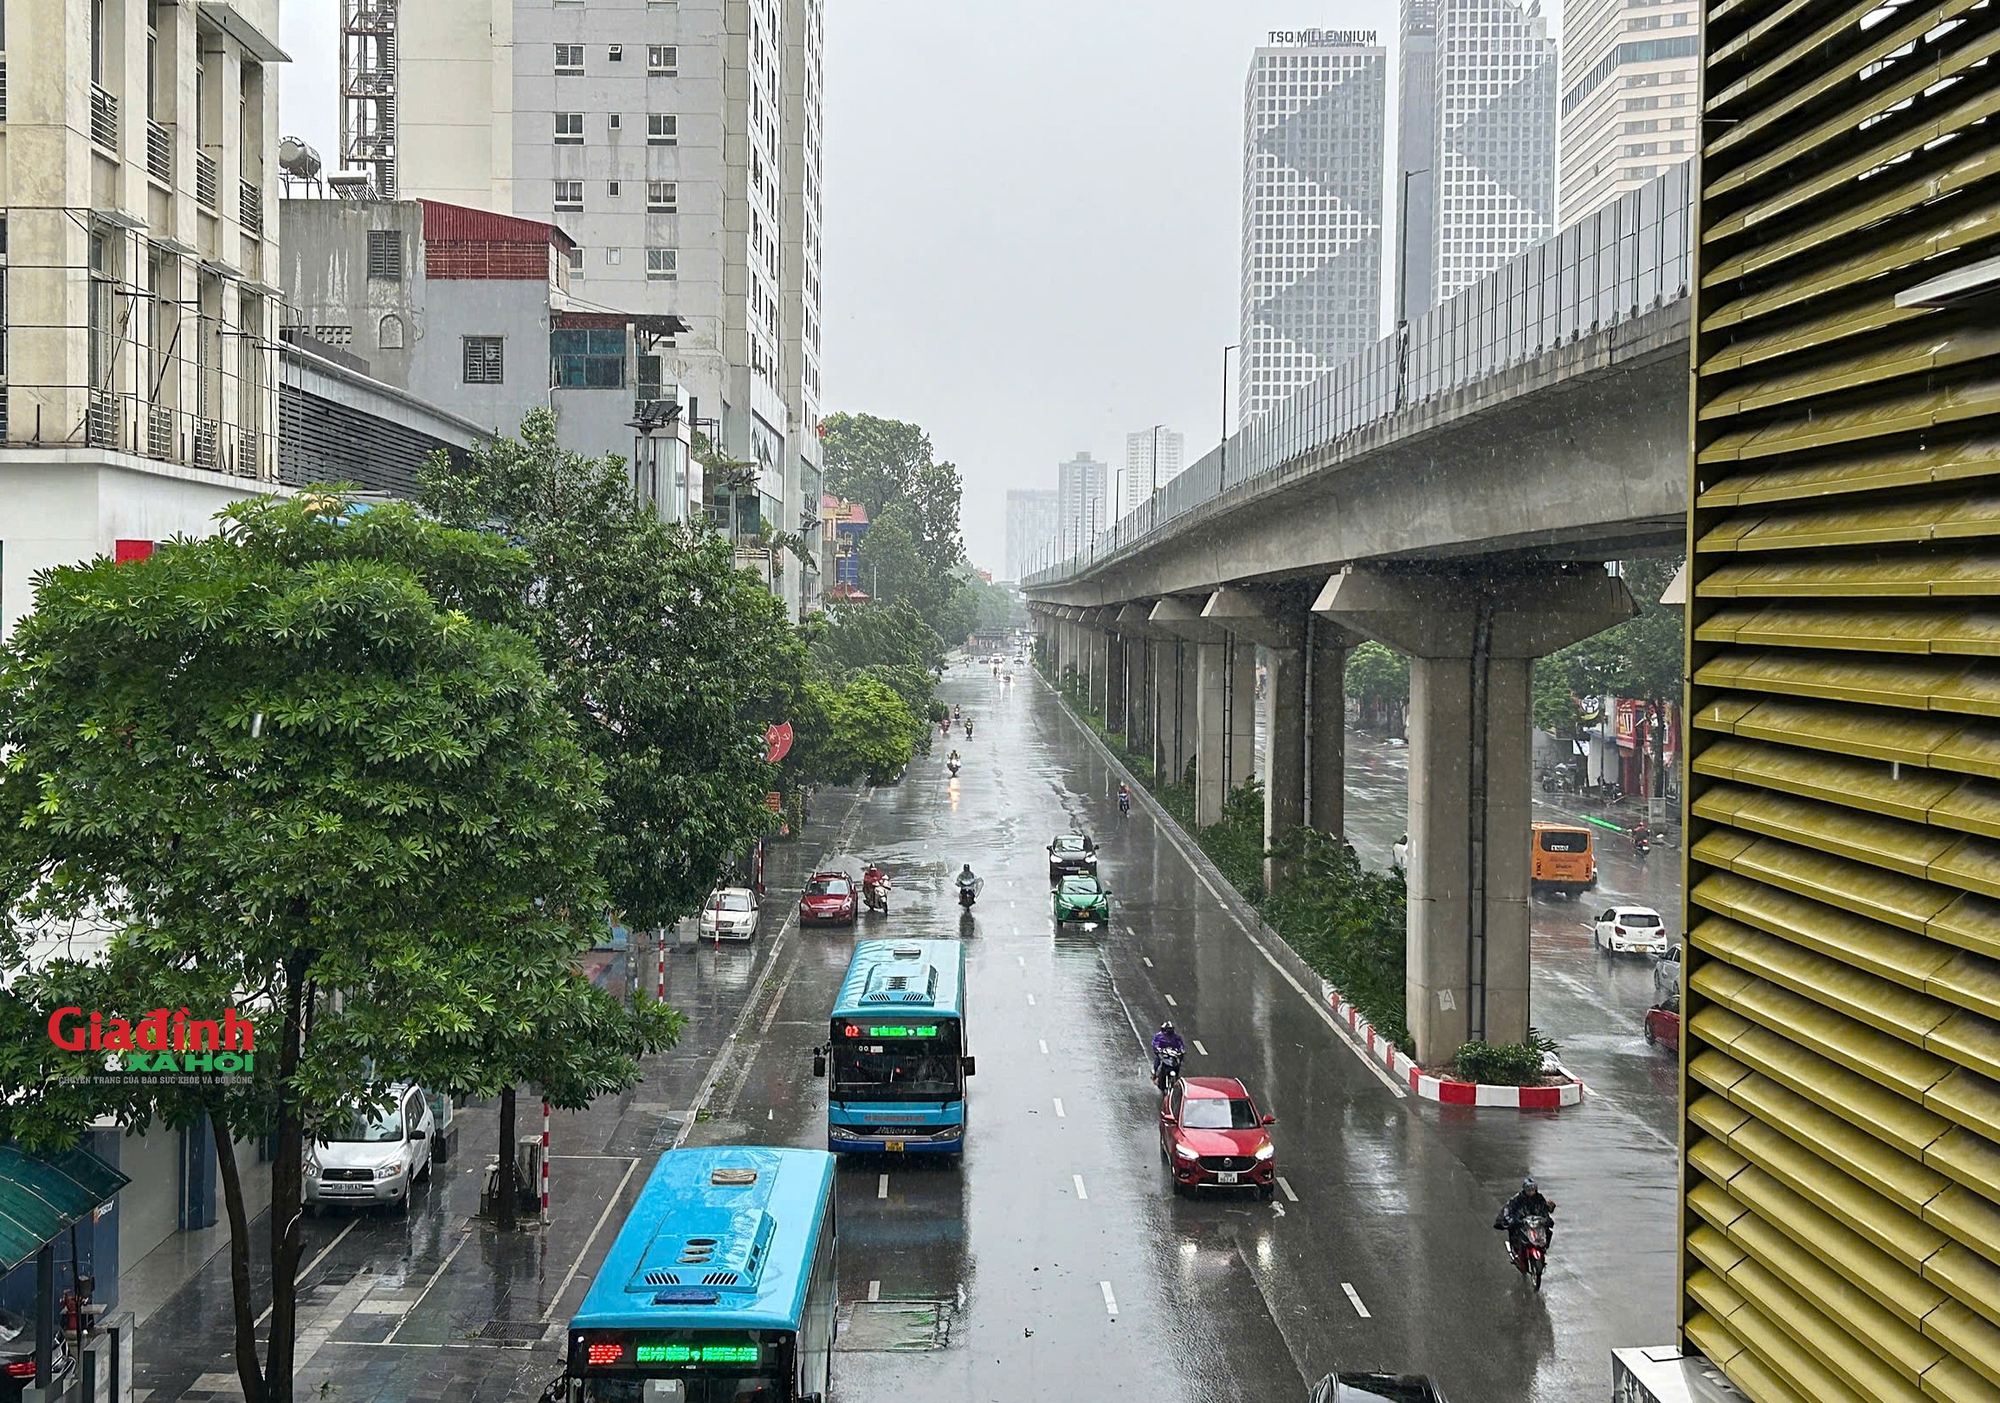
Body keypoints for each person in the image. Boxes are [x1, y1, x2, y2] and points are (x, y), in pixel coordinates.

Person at [1494, 1176, 1557, 1256]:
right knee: (1515, 1233)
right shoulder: (1517, 1199)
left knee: (1548, 1232)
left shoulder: (1539, 1198)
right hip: (1521, 1223)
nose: (1531, 1191)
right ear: (1525, 1189)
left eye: (1533, 1189)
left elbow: (1544, 1209)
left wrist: (1549, 1209)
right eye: (1528, 1189)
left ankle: (1543, 1249)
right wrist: (1511, 1220)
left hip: (1535, 1224)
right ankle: (1516, 1252)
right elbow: (1508, 1209)